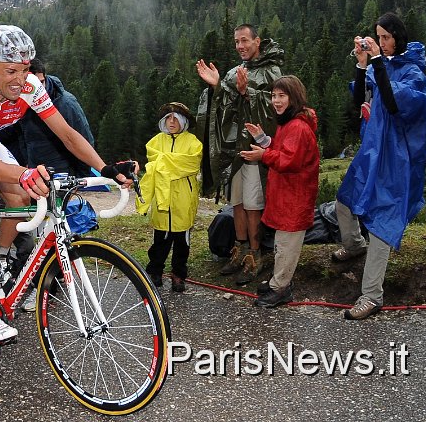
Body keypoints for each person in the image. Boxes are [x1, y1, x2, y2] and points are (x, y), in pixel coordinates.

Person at [0, 25, 137, 344]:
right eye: (11, 70)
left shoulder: (29, 88)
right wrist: (23, 172)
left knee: (18, 196)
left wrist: (105, 168)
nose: (19, 78)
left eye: (25, 69)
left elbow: (67, 134)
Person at [331, 12, 426, 320]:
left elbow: (393, 103)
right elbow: (359, 100)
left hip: (397, 159)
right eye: (378, 37)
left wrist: (377, 63)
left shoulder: (414, 73)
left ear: (398, 37)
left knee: (382, 223)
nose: (382, 42)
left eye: (386, 37)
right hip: (373, 150)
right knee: (344, 201)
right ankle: (353, 245)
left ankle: (372, 295)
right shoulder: (384, 64)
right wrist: (363, 63)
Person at [196, 24, 283, 285]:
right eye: (236, 42)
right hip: (236, 150)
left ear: (257, 41)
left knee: (254, 205)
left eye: (245, 40)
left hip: (257, 150)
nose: (240, 46)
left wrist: (248, 93)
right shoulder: (236, 72)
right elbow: (226, 110)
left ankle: (255, 256)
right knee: (238, 203)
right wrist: (217, 88)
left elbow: (275, 108)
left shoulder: (272, 71)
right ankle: (240, 249)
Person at [240, 76, 319, 307]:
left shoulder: (297, 126)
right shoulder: (289, 123)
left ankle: (281, 289)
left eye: (281, 96)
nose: (276, 100)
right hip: (287, 196)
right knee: (282, 244)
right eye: (274, 95)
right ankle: (279, 281)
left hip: (294, 199)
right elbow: (283, 149)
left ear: (294, 97)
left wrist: (263, 155)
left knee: (286, 246)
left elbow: (289, 161)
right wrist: (264, 140)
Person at [137, 102, 202, 292]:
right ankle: (155, 270)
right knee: (160, 238)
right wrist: (172, 163)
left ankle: (179, 274)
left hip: (184, 197)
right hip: (162, 197)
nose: (171, 121)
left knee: (182, 240)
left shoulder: (193, 142)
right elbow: (152, 157)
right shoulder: (157, 141)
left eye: (176, 118)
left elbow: (191, 164)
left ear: (184, 121)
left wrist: (164, 162)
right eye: (168, 118)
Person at [20, 59, 95, 176]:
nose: (38, 89)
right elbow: (18, 136)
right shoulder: (19, 101)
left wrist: (80, 177)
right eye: (32, 84)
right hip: (34, 172)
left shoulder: (66, 103)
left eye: (41, 82)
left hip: (62, 172)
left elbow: (85, 140)